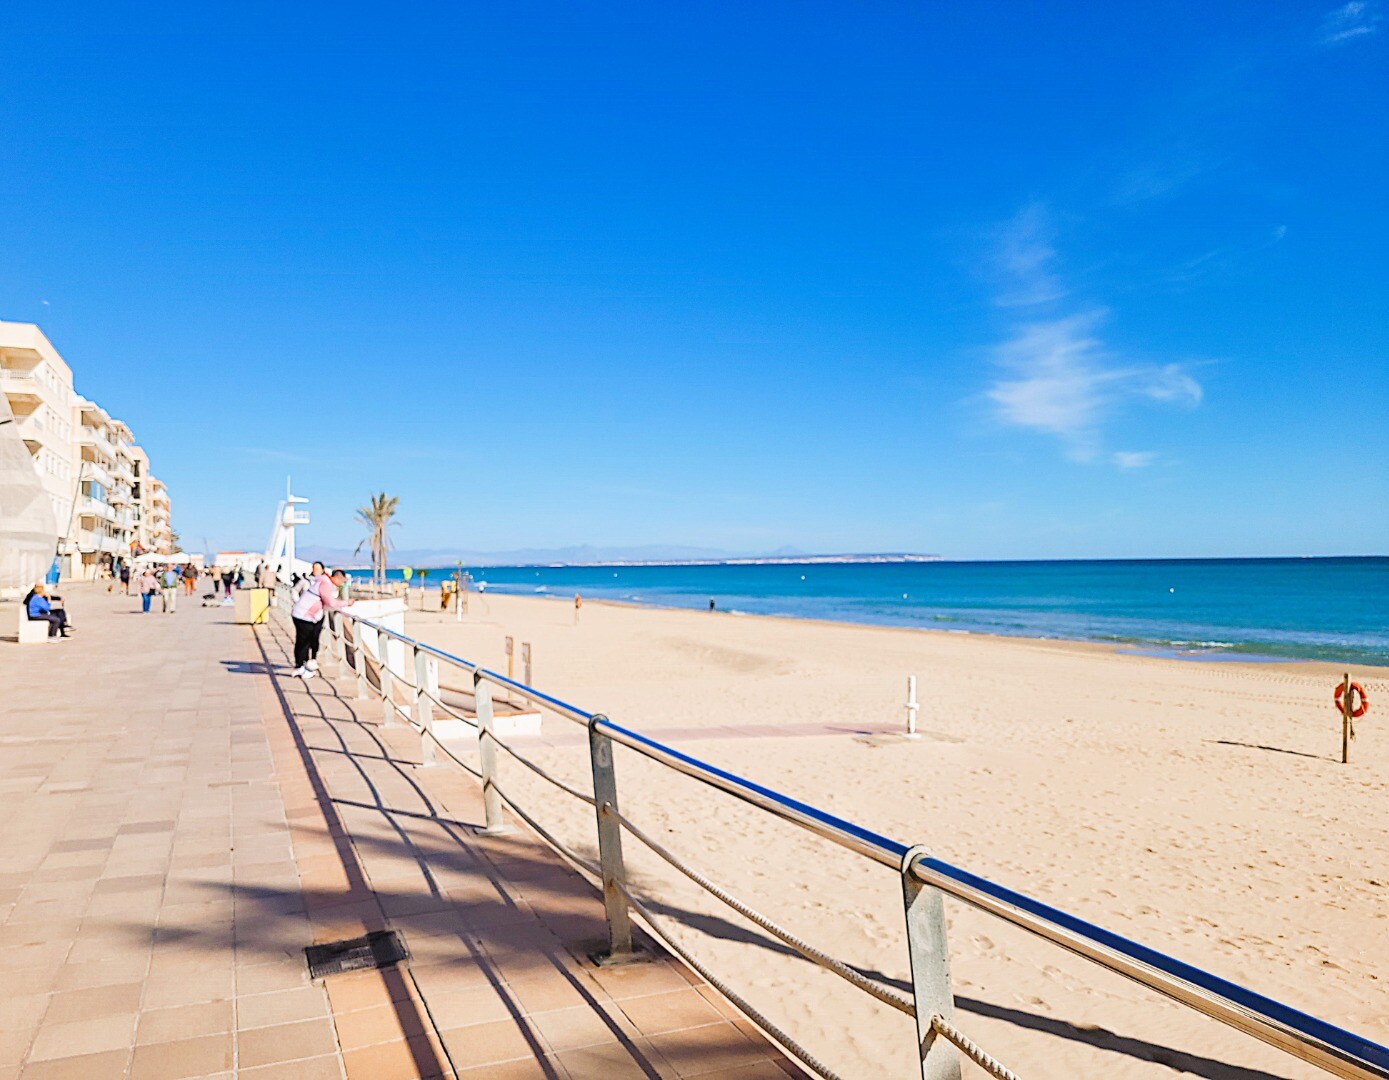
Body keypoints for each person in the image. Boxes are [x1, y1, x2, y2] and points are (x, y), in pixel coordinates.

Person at [290, 567, 348, 679]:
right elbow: (330, 602)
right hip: (304, 615)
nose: (342, 584)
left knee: (304, 641)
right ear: (338, 578)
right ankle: (301, 667)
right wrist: (346, 603)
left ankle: (302, 666)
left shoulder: (323, 581)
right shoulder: (325, 584)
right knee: (304, 641)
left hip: (305, 615)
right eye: (342, 581)